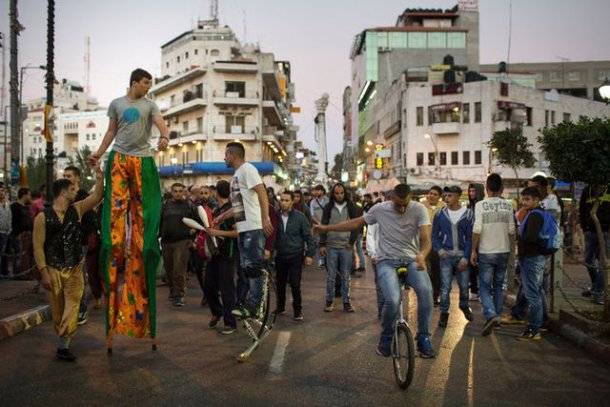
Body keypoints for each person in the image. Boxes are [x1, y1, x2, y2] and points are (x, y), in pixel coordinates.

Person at [88, 68, 170, 347]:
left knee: (144, 229)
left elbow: (161, 124)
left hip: (143, 161)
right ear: (134, 83)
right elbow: (111, 131)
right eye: (146, 82)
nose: (148, 86)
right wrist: (99, 153)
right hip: (119, 160)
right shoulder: (117, 104)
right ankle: (112, 248)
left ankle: (145, 251)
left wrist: (165, 137)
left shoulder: (150, 105)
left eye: (150, 83)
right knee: (114, 229)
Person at [314, 184, 436, 358]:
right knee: (392, 300)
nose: (402, 209)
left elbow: (426, 240)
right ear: (391, 198)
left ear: (411, 199)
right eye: (398, 204)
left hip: (411, 261)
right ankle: (386, 338)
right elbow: (355, 223)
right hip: (386, 262)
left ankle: (423, 338)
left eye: (406, 204)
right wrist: (326, 228)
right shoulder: (379, 209)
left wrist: (422, 255)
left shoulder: (418, 209)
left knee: (426, 292)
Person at [32, 164, 104, 360]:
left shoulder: (77, 209)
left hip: (74, 268)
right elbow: (37, 247)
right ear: (63, 192)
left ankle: (64, 346)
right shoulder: (42, 218)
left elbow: (97, 196)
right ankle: (63, 337)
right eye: (72, 189)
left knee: (72, 305)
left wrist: (99, 176)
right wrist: (44, 272)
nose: (76, 192)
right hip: (53, 268)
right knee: (58, 310)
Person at [218, 142, 273, 319]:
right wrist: (222, 216)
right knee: (245, 270)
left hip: (253, 228)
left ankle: (254, 306)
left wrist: (265, 218)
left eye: (226, 155)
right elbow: (238, 206)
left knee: (253, 268)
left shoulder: (247, 170)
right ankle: (247, 304)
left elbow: (262, 192)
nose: (224, 158)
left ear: (232, 155)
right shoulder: (237, 175)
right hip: (244, 229)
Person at [470, 174, 515, 336]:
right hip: (503, 251)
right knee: (498, 286)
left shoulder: (480, 205)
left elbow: (477, 229)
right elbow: (511, 230)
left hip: (486, 252)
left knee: (484, 286)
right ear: (502, 189)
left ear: (487, 189)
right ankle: (497, 319)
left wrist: (473, 250)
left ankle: (490, 314)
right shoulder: (508, 205)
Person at [432, 186, 474, 328]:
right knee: (445, 288)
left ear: (457, 197)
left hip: (462, 256)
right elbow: (434, 235)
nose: (446, 198)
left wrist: (466, 257)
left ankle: (464, 306)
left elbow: (470, 238)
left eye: (450, 195)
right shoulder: (440, 214)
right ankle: (444, 313)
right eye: (446, 195)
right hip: (446, 257)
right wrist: (440, 251)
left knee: (464, 286)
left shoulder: (468, 214)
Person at [516, 186, 553, 341]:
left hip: (532, 258)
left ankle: (534, 329)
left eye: (528, 199)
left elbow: (530, 238)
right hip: (537, 257)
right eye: (523, 199)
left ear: (536, 200)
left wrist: (520, 237)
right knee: (538, 292)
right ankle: (542, 322)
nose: (524, 202)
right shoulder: (538, 213)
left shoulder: (534, 216)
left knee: (533, 295)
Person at [319, 183, 361, 313]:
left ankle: (346, 302)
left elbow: (356, 225)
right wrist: (322, 244)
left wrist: (351, 241)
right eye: (336, 193)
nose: (339, 195)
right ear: (333, 194)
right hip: (331, 245)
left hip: (345, 247)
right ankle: (329, 301)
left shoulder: (351, 206)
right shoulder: (328, 207)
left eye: (341, 193)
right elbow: (324, 225)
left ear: (345, 193)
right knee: (331, 276)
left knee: (346, 276)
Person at [203, 180, 238, 335]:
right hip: (215, 254)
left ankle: (230, 322)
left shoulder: (231, 210)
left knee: (226, 289)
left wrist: (217, 233)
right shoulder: (216, 209)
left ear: (216, 192)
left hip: (227, 254)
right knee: (208, 286)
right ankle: (217, 311)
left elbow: (237, 233)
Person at [64, 165, 98, 325]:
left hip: (80, 244)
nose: (66, 178)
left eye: (69, 176)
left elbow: (91, 223)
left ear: (77, 177)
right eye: (64, 175)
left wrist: (77, 233)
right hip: (64, 244)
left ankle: (82, 309)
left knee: (80, 277)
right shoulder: (62, 196)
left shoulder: (83, 197)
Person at [273, 191, 315, 320]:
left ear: (292, 202)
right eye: (282, 200)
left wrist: (309, 254)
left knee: (295, 284)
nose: (284, 203)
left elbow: (309, 236)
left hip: (295, 255)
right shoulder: (275, 217)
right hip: (280, 255)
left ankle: (297, 310)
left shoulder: (300, 217)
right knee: (280, 284)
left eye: (287, 200)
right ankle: (280, 307)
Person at [160, 183, 198, 307]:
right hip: (166, 241)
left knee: (179, 269)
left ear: (184, 192)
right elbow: (159, 221)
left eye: (180, 191)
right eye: (175, 191)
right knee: (169, 269)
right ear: (171, 192)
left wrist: (192, 236)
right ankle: (173, 290)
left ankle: (179, 295)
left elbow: (197, 221)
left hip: (182, 241)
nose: (178, 193)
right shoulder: (165, 205)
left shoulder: (189, 205)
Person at [579, 183, 609, 305]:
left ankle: (599, 292)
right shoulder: (588, 190)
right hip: (591, 230)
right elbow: (582, 209)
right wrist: (584, 227)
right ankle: (596, 285)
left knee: (603, 263)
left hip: (607, 231)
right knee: (588, 260)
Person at [423, 185, 444, 305]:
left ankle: (436, 294)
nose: (431, 196)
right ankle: (428, 293)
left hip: (438, 244)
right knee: (426, 270)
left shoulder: (444, 208)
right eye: (430, 193)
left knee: (437, 270)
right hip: (423, 243)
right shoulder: (421, 206)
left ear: (439, 197)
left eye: (435, 194)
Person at [467, 182, 485, 301]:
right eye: (470, 191)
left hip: (483, 240)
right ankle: (474, 291)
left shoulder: (483, 205)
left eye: (473, 191)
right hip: (471, 240)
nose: (471, 193)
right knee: (472, 267)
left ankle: (483, 292)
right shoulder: (469, 206)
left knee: (482, 268)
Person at [10, 188, 33, 277]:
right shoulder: (15, 206)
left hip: (27, 235)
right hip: (18, 234)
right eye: (29, 195)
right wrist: (16, 233)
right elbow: (13, 221)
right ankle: (17, 273)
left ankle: (23, 271)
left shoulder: (26, 207)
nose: (30, 197)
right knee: (18, 254)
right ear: (24, 195)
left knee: (24, 254)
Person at [309, 185, 328, 268]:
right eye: (316, 190)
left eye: (318, 190)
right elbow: (311, 215)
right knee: (318, 242)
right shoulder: (313, 202)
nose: (316, 192)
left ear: (322, 191)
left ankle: (327, 260)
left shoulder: (328, 201)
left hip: (327, 226)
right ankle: (321, 261)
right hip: (317, 225)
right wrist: (318, 222)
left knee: (327, 242)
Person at [0, 183, 12, 278]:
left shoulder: (8, 203)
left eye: (3, 190)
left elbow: (9, 217)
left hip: (6, 232)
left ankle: (4, 271)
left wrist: (9, 229)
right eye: (1, 190)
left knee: (4, 253)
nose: (2, 192)